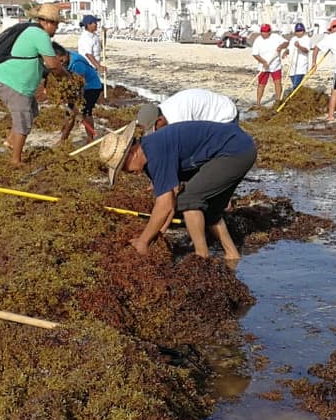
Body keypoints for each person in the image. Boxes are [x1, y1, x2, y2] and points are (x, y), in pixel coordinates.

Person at [102, 120, 257, 260]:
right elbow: (171, 198)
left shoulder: (155, 152)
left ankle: (201, 259)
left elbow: (165, 204)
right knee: (209, 211)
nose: (126, 172)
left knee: (189, 200)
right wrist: (158, 234)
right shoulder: (150, 151)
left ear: (132, 153)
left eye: (123, 167)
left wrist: (143, 241)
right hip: (239, 147)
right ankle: (232, 255)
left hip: (234, 151)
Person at [0, 2, 65, 165]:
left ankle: (11, 141)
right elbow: (53, 65)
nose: (56, 29)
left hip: (12, 82)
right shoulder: (40, 35)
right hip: (13, 84)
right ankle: (16, 160)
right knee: (23, 120)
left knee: (31, 111)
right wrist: (66, 77)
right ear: (46, 22)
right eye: (56, 25)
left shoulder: (31, 31)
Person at [50, 42, 101, 146]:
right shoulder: (65, 59)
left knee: (86, 112)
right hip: (79, 87)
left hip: (91, 87)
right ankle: (63, 139)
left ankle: (90, 139)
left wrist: (77, 108)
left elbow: (80, 85)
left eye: (61, 61)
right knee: (69, 114)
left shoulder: (77, 63)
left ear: (64, 55)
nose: (61, 64)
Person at [135, 88, 239, 134]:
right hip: (210, 112)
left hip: (224, 115)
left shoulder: (179, 118)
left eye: (155, 129)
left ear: (160, 120)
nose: (157, 133)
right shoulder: (160, 109)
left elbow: (191, 140)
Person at [250, 24, 288, 107]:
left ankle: (278, 101)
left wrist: (281, 46)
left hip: (275, 65)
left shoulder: (276, 37)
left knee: (277, 83)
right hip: (263, 67)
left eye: (265, 32)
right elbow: (255, 54)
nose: (263, 33)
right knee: (261, 84)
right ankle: (258, 103)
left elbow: (286, 43)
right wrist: (263, 62)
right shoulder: (258, 40)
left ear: (269, 31)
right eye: (262, 32)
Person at [288, 23, 312, 89]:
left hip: (301, 67)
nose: (299, 33)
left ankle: (294, 98)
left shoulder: (307, 39)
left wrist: (299, 46)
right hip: (292, 67)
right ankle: (300, 96)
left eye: (300, 31)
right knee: (296, 86)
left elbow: (306, 50)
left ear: (304, 31)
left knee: (296, 86)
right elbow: (289, 49)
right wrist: (285, 52)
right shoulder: (293, 39)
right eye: (297, 31)